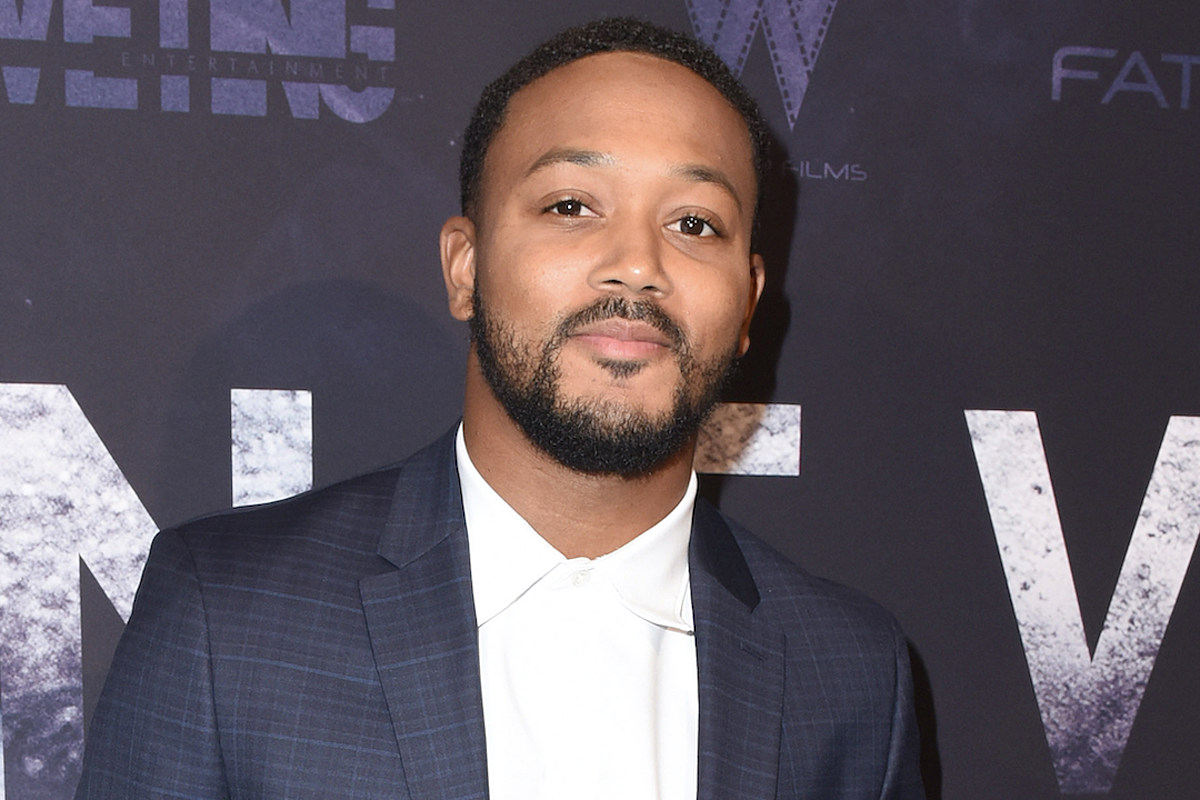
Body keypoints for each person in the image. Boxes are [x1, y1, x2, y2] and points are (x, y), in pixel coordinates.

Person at [76, 16, 925, 800]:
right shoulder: (230, 617)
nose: (637, 264)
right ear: (465, 267)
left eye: (695, 224)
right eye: (571, 206)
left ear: (747, 304)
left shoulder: (852, 675)